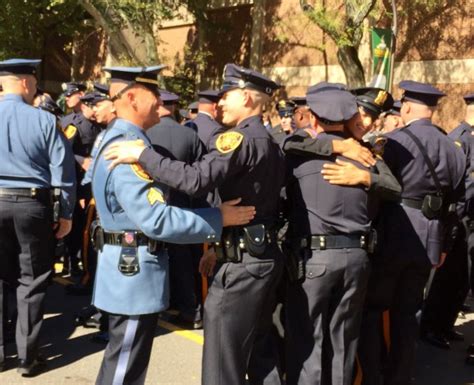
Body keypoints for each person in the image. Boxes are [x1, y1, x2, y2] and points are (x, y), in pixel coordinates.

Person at [103, 63, 286, 385]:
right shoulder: (270, 139)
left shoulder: (238, 139)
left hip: (241, 263)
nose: (219, 104)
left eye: (226, 96)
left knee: (222, 361)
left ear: (246, 97)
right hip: (261, 256)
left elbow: (196, 180)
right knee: (261, 354)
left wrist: (144, 155)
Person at [283, 84, 398, 385]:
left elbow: (287, 147)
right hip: (356, 261)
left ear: (313, 118)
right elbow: (394, 188)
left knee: (308, 343)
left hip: (316, 260)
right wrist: (358, 167)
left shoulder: (301, 154)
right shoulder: (365, 156)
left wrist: (362, 176)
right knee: (343, 343)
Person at [357, 81, 466, 385]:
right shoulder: (451, 146)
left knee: (374, 309)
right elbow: (455, 203)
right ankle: (400, 377)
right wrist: (444, 244)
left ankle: (372, 375)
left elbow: (378, 190)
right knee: (408, 314)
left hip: (394, 231)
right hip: (430, 236)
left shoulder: (393, 142)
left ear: (405, 106)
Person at [0, 58, 76, 376]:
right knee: (31, 280)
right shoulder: (44, 120)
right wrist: (67, 214)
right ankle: (27, 358)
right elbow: (64, 171)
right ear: (27, 83)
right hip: (32, 205)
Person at [147, 88, 208, 329]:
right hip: (186, 206)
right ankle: (190, 308)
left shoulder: (146, 134)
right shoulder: (189, 135)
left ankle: (173, 305)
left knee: (159, 258)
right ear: (173, 107)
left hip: (154, 204)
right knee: (185, 261)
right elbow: (201, 172)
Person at [420, 92, 474, 349]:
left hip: (468, 220)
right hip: (457, 218)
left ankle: (446, 324)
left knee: (461, 279)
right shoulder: (460, 140)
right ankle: (431, 326)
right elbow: (458, 184)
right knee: (446, 278)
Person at [61, 83, 102, 276]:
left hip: (94, 183)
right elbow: (62, 152)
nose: (95, 111)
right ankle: (75, 264)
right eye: (92, 106)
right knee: (78, 228)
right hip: (78, 182)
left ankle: (87, 267)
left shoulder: (100, 126)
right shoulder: (73, 125)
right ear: (85, 105)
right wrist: (81, 160)